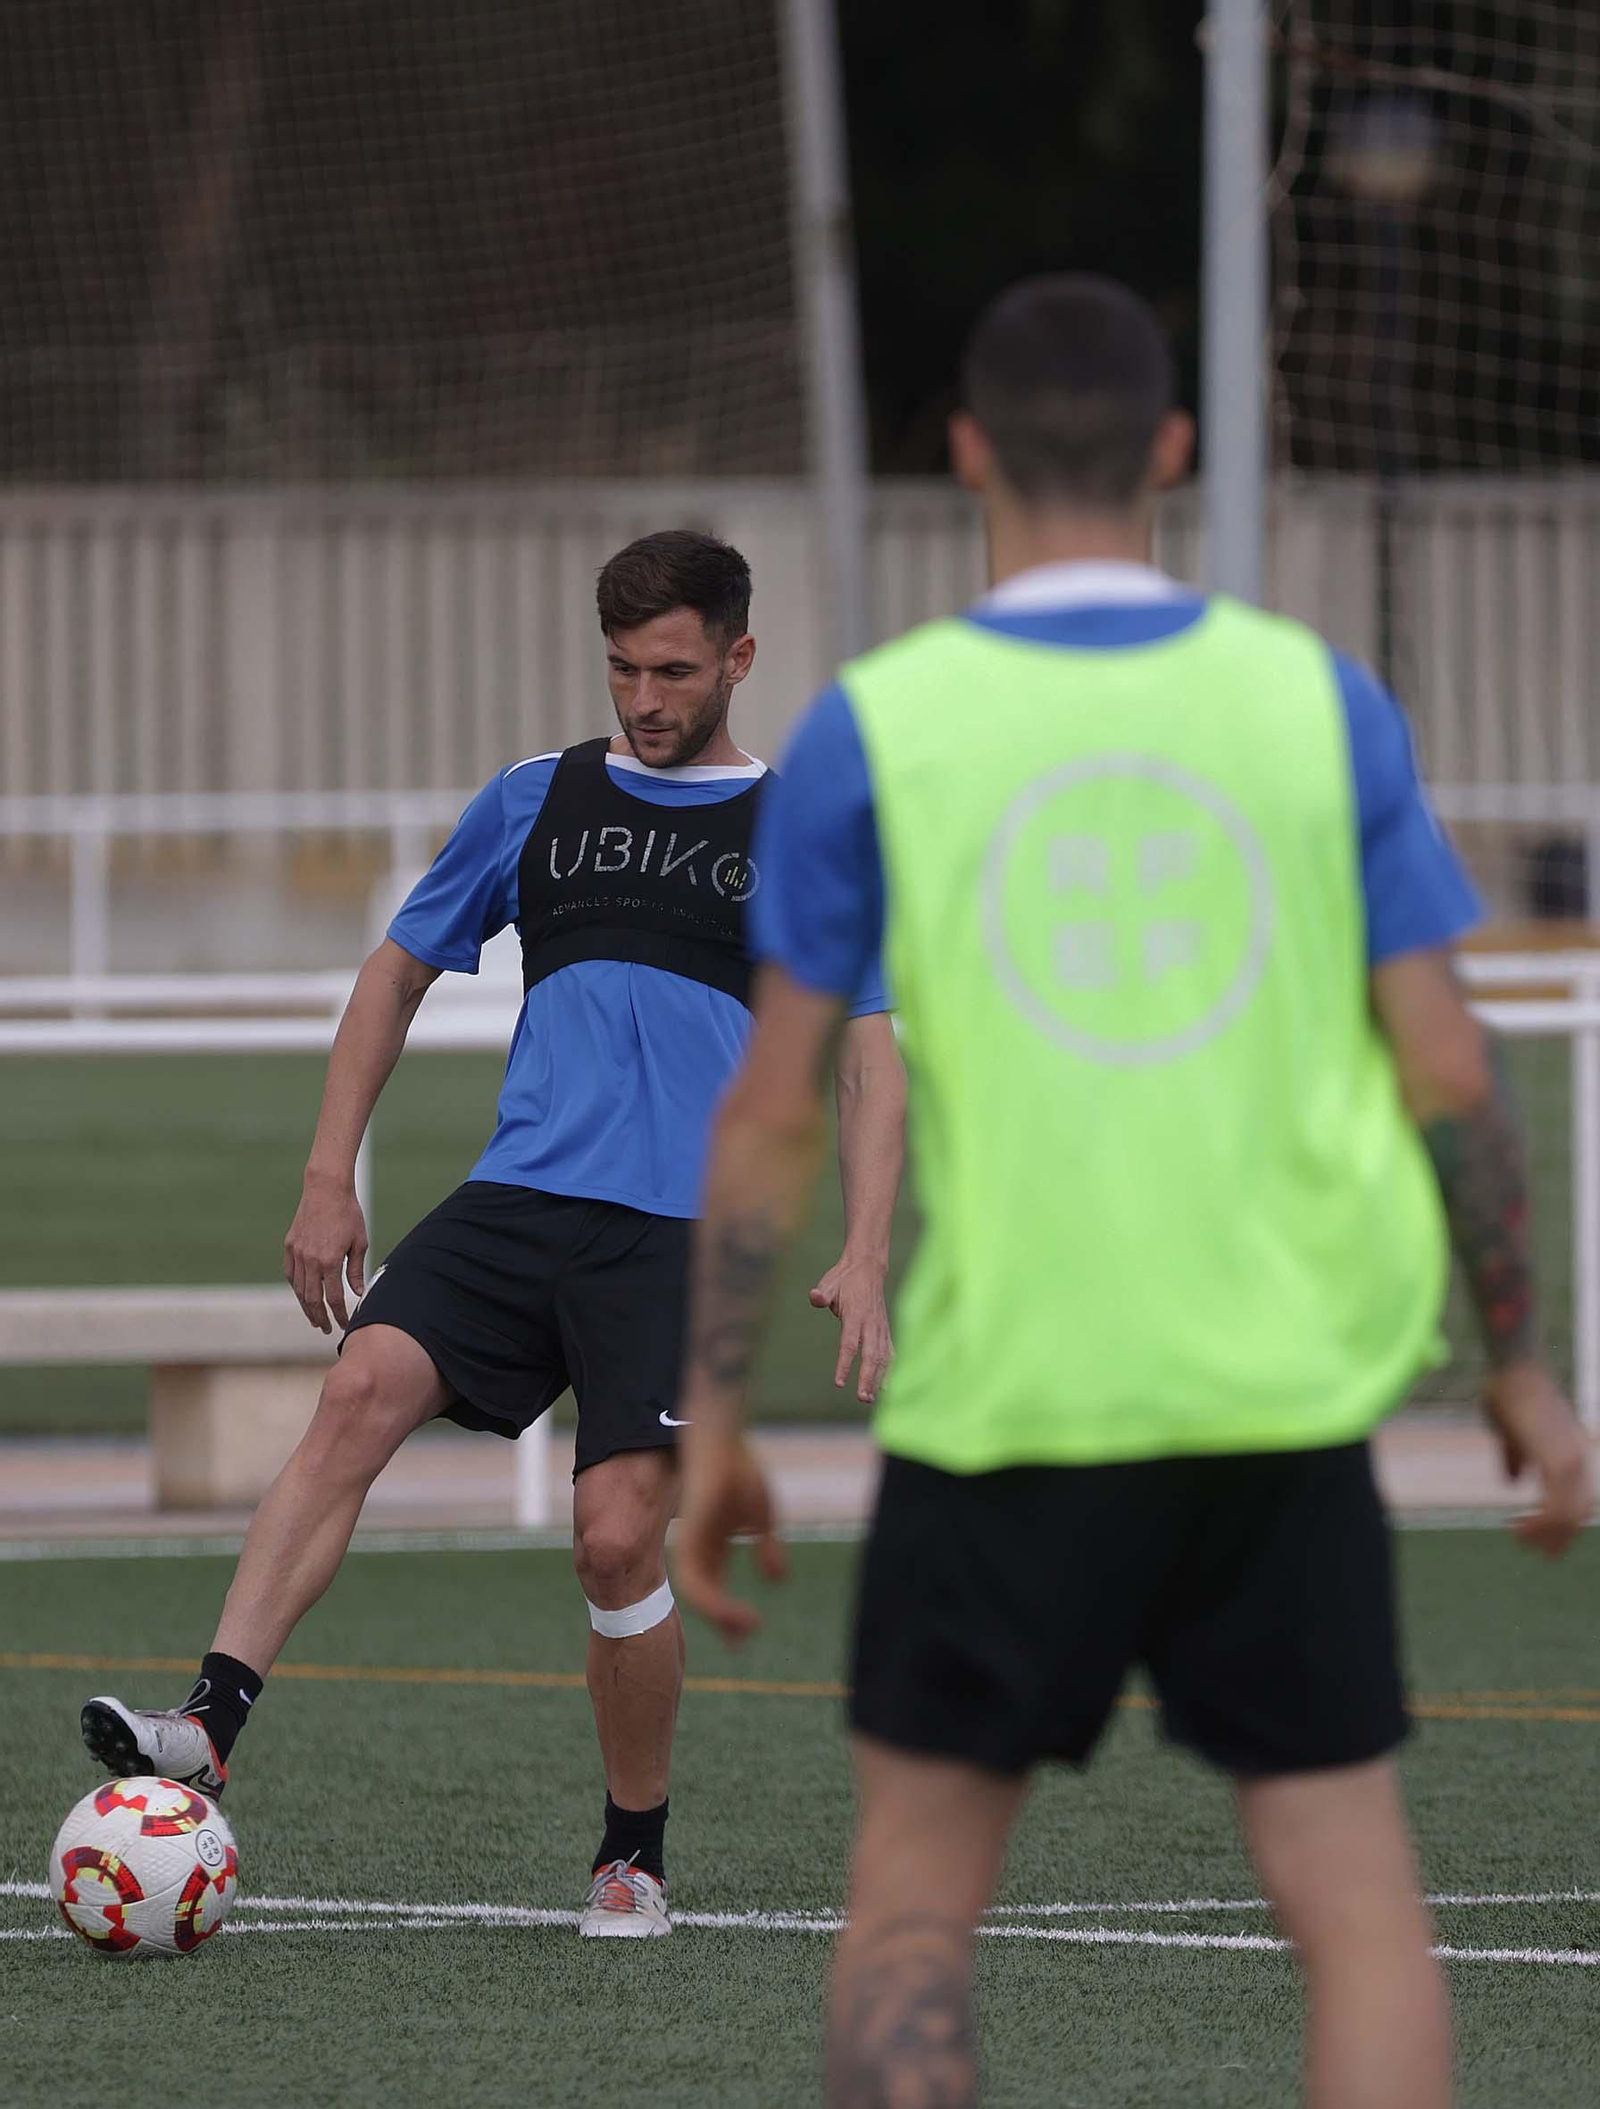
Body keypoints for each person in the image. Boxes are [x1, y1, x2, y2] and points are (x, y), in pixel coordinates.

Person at [672, 278, 1594, 2102]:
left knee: (917, 1910)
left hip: (1007, 1405)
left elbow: (773, 1106)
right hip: (1274, 1400)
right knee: (1353, 1905)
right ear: (1174, 449)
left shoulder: (879, 727)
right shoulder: (1313, 704)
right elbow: (1453, 1070)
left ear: (965, 455)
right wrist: (1516, 1361)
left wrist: (711, 1411)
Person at [80, 529, 906, 1940]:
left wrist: (869, 1245)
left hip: (679, 1234)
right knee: (355, 1392)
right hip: (519, 1196)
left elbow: (871, 1055)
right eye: (623, 667)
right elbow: (395, 972)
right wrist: (329, 1168)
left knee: (610, 1540)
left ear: (739, 661)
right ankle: (206, 1730)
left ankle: (631, 1852)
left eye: (674, 669)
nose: (645, 697)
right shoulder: (537, 798)